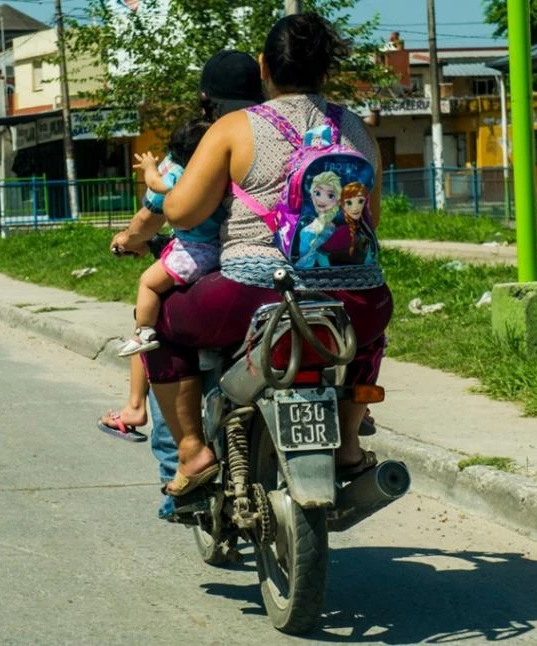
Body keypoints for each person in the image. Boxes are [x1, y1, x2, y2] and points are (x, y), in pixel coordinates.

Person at [143, 13, 394, 497]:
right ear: (326, 69)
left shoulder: (236, 128)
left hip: (251, 295)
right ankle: (346, 445)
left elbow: (181, 211)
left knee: (161, 327)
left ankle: (193, 452)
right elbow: (369, 221)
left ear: (264, 66)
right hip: (356, 299)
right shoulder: (356, 130)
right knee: (368, 339)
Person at [98, 50, 265, 518]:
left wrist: (127, 241)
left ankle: (184, 463)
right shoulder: (282, 132)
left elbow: (161, 214)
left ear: (206, 99)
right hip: (292, 278)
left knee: (157, 336)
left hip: (223, 278)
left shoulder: (214, 139)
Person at [117, 120, 225, 357]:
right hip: (220, 247)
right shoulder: (218, 174)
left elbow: (156, 184)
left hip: (193, 251)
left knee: (148, 283)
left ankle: (143, 332)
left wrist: (148, 166)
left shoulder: (182, 176)